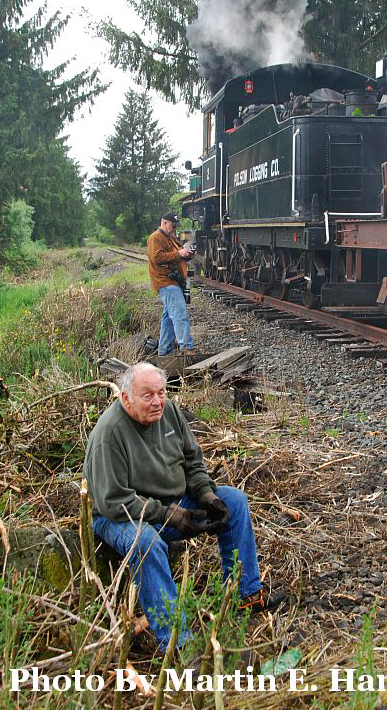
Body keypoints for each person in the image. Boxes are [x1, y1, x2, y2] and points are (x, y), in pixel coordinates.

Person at [83, 363, 284, 651]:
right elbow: (114, 502)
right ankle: (175, 641)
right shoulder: (109, 434)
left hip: (172, 504)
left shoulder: (169, 412)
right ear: (126, 398)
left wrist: (205, 495)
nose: (157, 401)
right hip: (117, 517)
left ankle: (245, 596)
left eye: (161, 393)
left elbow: (192, 460)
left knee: (234, 502)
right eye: (147, 395)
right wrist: (170, 516)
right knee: (146, 542)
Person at [147, 213, 195, 356]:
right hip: (165, 282)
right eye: (173, 226)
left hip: (172, 281)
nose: (174, 229)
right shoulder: (155, 237)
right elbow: (157, 257)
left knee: (168, 320)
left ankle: (164, 351)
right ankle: (186, 347)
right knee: (180, 313)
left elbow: (179, 253)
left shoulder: (170, 238)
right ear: (165, 223)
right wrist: (179, 254)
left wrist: (188, 253)